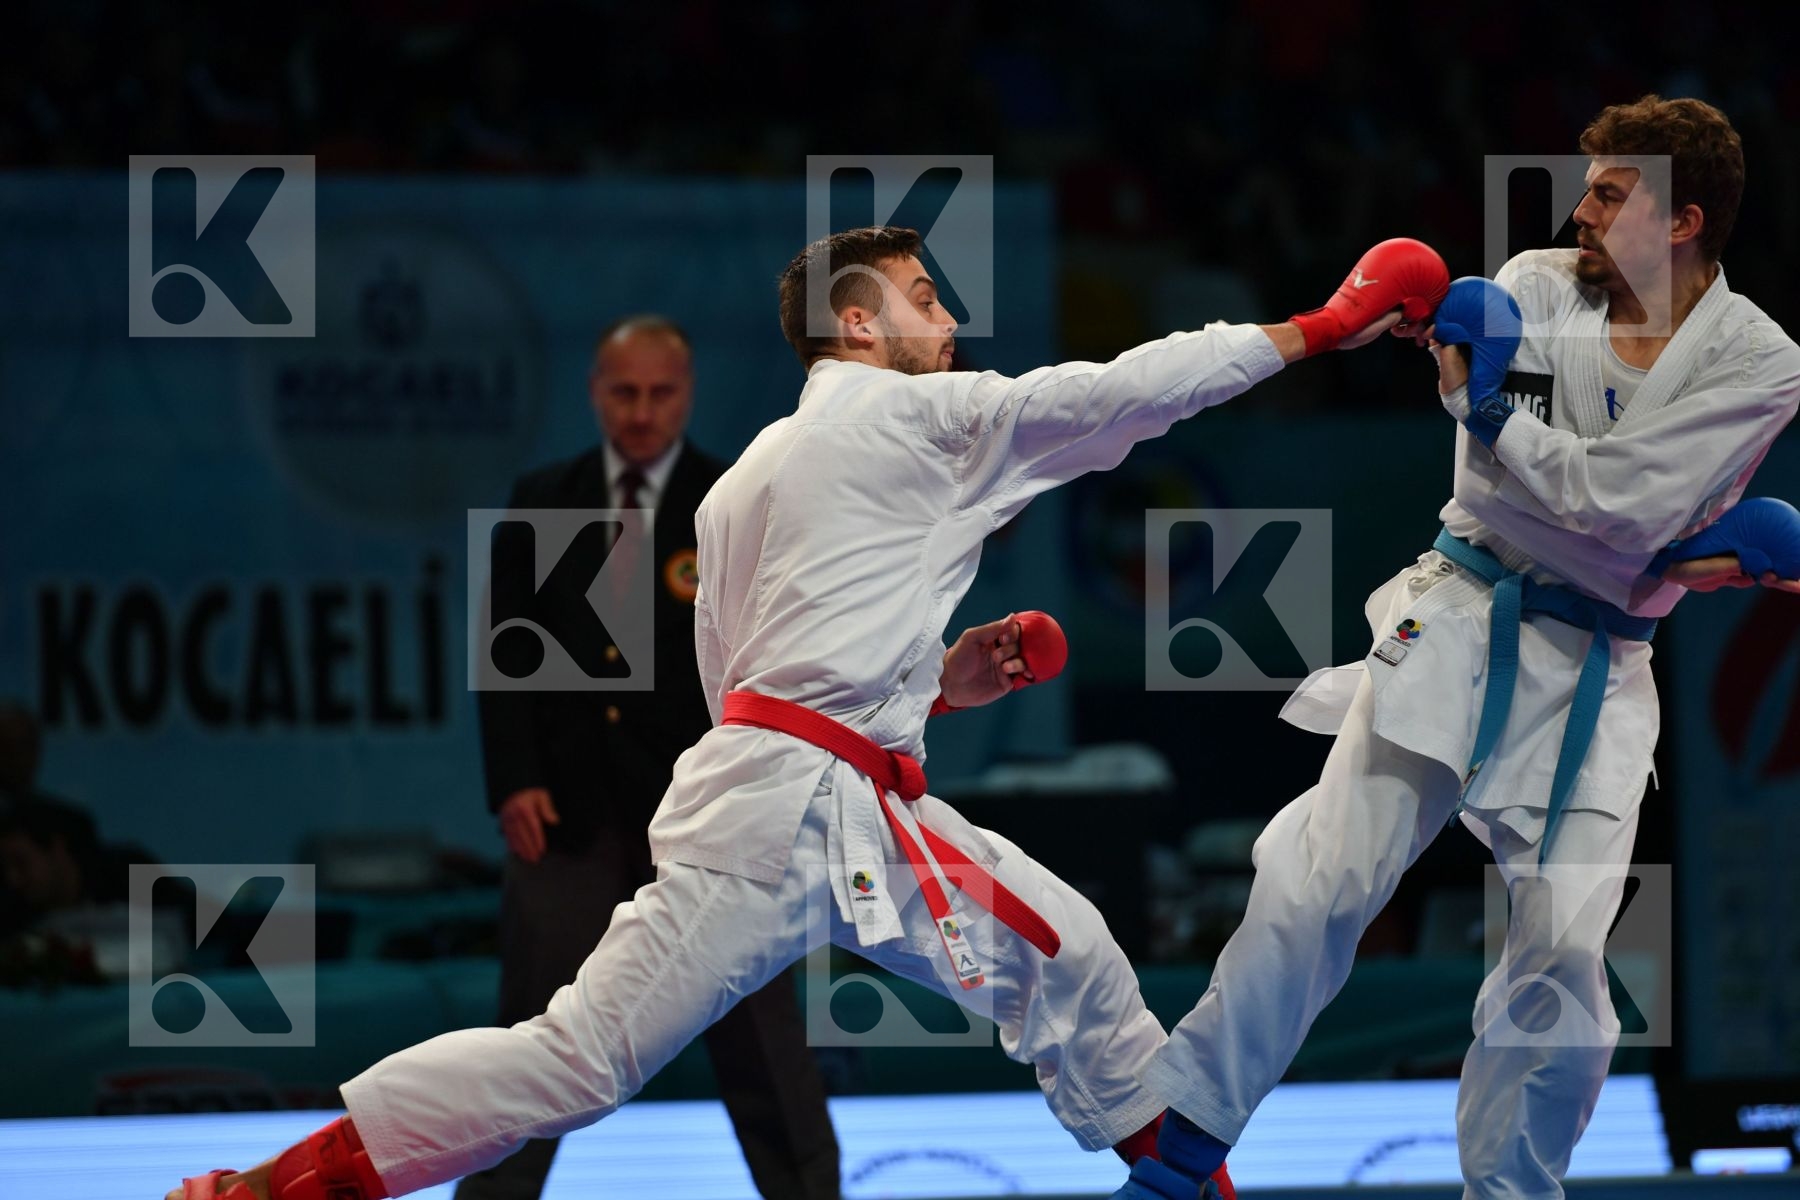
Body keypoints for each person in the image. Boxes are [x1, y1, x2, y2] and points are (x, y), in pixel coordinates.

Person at [165, 224, 1445, 1200]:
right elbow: (1117, 394)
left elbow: (755, 682)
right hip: (815, 809)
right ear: (857, 319)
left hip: (781, 791)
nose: (949, 321)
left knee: (580, 1061)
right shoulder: (914, 415)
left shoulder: (745, 484)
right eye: (926, 299)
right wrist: (1319, 327)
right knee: (1074, 962)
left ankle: (274, 1191)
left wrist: (946, 680)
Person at [1113, 96, 1800, 1200]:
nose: (1582, 209)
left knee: (1564, 965)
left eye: (1612, 193)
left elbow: (1613, 504)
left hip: (1599, 674)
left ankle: (1513, 1194)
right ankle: (1182, 1151)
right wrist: (1663, 541)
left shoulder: (1761, 361)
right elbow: (1506, 498)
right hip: (1461, 614)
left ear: (1684, 220)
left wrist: (1510, 434)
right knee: (1315, 880)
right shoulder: (1528, 287)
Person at [465, 314, 841, 1200]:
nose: (640, 412)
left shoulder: (738, 497)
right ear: (596, 391)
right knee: (533, 1039)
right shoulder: (542, 500)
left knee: (760, 1041)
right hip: (566, 816)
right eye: (623, 392)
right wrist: (513, 779)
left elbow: (776, 656)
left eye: (659, 393)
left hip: (712, 820)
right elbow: (508, 657)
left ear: (688, 393)